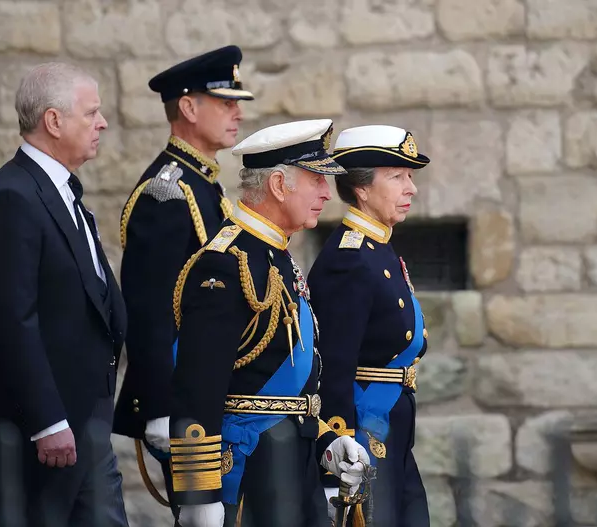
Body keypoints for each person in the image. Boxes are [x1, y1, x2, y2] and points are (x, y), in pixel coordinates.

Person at [168, 119, 371, 527]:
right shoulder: (225, 263)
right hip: (248, 474)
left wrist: (327, 444)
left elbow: (287, 391)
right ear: (279, 185)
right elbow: (197, 388)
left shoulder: (276, 255)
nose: (326, 193)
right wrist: (199, 493)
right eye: (316, 180)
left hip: (292, 469)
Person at [0, 63, 129, 527]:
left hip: (83, 421)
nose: (102, 123)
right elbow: (10, 320)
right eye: (91, 113)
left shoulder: (58, 191)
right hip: (42, 438)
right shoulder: (13, 198)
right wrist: (48, 421)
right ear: (54, 121)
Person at [111, 45, 254, 520]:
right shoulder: (168, 192)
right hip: (182, 405)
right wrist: (157, 408)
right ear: (188, 108)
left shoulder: (204, 185)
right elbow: (150, 306)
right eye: (225, 103)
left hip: (209, 394)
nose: (236, 113)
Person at [307, 125, 432, 526]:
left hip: (392, 428)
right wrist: (337, 449)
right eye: (397, 177)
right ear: (361, 188)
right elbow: (334, 367)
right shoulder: (350, 257)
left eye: (410, 176)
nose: (410, 188)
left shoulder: (378, 246)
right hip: (364, 433)